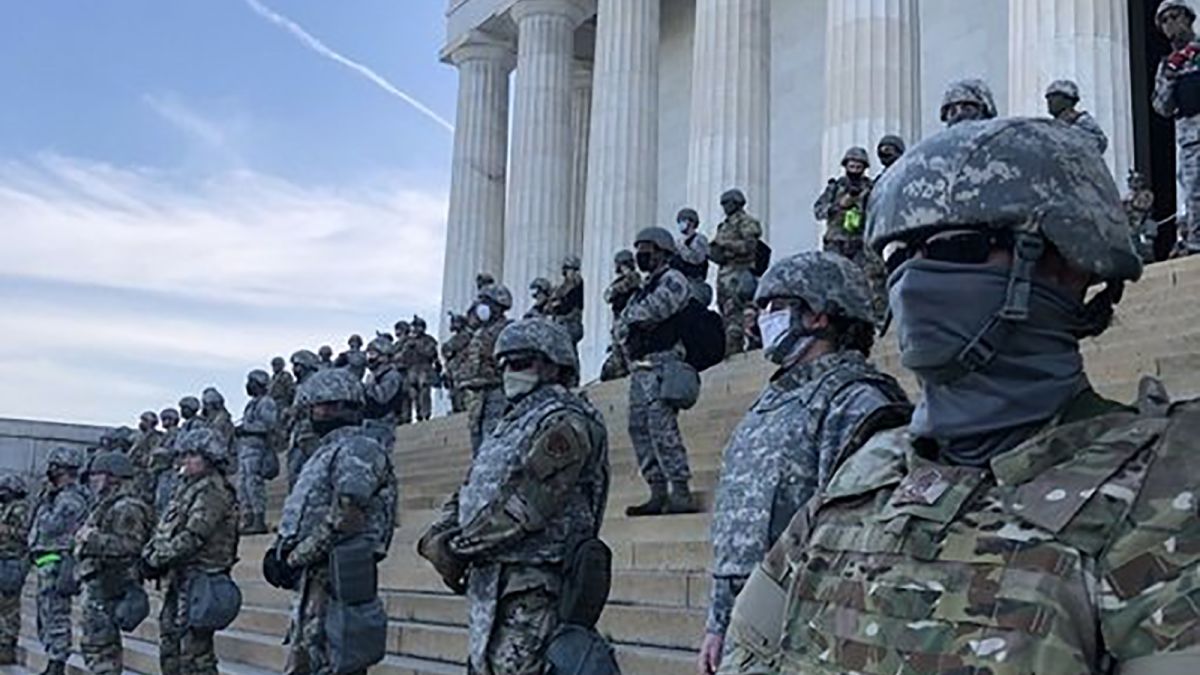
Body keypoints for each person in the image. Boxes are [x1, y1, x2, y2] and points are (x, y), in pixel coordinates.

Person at [717, 117, 1197, 674]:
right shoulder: (866, 474)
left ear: (1068, 263)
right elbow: (747, 652)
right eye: (899, 256)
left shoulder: (1166, 494)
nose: (914, 279)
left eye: (957, 245)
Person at [696, 252, 910, 674]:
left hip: (809, 632)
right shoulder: (771, 403)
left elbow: (862, 545)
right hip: (749, 631)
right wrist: (718, 623)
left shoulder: (856, 401)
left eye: (775, 307)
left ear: (818, 316)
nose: (761, 320)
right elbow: (736, 536)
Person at [417, 319, 609, 674]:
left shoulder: (565, 420)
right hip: (493, 588)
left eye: (520, 362)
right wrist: (437, 535)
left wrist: (459, 548)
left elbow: (528, 506)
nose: (508, 373)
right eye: (502, 364)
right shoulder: (512, 423)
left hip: (535, 590)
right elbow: (472, 488)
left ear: (555, 365)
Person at [270, 368, 396, 675]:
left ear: (338, 407)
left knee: (334, 664)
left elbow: (347, 515)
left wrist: (294, 558)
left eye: (318, 407)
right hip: (316, 576)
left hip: (338, 577)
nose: (313, 414)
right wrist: (282, 550)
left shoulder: (359, 448)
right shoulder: (326, 452)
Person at [142, 428, 239, 675]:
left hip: (200, 579)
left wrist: (156, 559)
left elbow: (193, 536)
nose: (185, 460)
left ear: (210, 457)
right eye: (183, 455)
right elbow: (166, 528)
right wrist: (150, 553)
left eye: (192, 455)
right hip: (179, 577)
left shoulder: (212, 490)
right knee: (171, 646)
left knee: (194, 655)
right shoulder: (187, 488)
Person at [621, 227, 698, 515]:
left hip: (664, 364)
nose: (641, 254)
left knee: (661, 426)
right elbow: (622, 324)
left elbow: (655, 310)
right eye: (638, 248)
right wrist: (632, 321)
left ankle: (680, 489)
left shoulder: (673, 279)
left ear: (663, 251)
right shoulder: (643, 287)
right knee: (638, 428)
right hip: (641, 369)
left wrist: (634, 320)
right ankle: (656, 489)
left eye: (647, 248)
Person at [75, 452, 153, 675]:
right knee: (95, 647)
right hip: (99, 585)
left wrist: (91, 538)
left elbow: (129, 546)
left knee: (102, 651)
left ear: (113, 477)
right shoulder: (107, 505)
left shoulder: (126, 507)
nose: (92, 481)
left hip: (111, 586)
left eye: (96, 475)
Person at [29, 446, 91, 675]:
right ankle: (52, 658)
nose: (50, 471)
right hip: (47, 559)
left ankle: (57, 662)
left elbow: (51, 526)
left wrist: (44, 507)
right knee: (46, 613)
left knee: (56, 613)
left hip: (58, 560)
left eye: (54, 467)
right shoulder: (56, 495)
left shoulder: (70, 498)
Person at [815, 146, 888, 317]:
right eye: (851, 166)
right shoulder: (834, 188)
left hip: (860, 244)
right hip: (836, 243)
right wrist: (839, 205)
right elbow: (818, 210)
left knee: (865, 284)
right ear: (845, 166)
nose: (854, 170)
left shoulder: (870, 188)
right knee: (834, 283)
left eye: (858, 167)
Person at [1154, 0, 1200, 256]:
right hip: (1191, 139)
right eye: (1165, 20)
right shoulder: (1167, 65)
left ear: (1188, 18)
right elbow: (1162, 107)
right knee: (1194, 192)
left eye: (1175, 16)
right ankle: (1195, 243)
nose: (1171, 23)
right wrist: (1171, 75)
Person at [708, 189, 764, 356]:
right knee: (728, 317)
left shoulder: (747, 222)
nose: (724, 207)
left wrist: (726, 245)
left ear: (737, 202)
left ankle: (752, 348)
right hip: (725, 276)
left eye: (727, 203)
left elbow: (749, 247)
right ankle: (732, 353)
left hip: (741, 274)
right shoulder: (724, 225)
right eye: (723, 203)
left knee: (747, 317)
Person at [460, 284, 514, 454]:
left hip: (497, 388)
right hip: (476, 392)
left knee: (493, 434)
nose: (479, 307)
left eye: (485, 302)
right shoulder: (479, 332)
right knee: (476, 435)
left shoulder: (508, 329)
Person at [235, 369, 279, 534]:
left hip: (257, 450)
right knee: (243, 487)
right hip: (246, 450)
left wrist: (246, 428)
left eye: (252, 382)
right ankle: (248, 519)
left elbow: (269, 425)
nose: (248, 385)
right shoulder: (252, 403)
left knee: (254, 486)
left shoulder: (266, 402)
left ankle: (259, 521)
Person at [0, 474, 30, 666]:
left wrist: (3, 529)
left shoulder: (21, 508)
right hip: (3, 559)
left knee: (9, 607)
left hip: (13, 561)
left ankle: (6, 645)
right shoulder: (6, 508)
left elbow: (24, 534)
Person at [601, 249, 642, 382]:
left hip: (629, 319)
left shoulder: (634, 278)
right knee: (617, 350)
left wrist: (618, 288)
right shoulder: (620, 281)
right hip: (618, 318)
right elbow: (607, 296)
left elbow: (623, 288)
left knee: (628, 350)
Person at [285, 349, 323, 489]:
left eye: (298, 365)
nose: (295, 369)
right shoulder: (300, 386)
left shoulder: (316, 382)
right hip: (298, 434)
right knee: (294, 472)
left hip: (311, 433)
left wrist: (298, 411)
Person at [1045, 79, 1108, 155]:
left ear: (1068, 100)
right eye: (1048, 97)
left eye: (1054, 96)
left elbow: (1097, 145)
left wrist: (1069, 130)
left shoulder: (1083, 123)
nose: (1050, 101)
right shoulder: (1050, 127)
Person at [363, 335, 404, 449]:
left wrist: (366, 387)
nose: (369, 358)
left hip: (384, 425)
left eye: (373, 354)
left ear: (384, 356)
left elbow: (383, 397)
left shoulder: (392, 376)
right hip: (369, 423)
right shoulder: (372, 376)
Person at [399, 316, 442, 422]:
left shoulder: (429, 340)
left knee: (424, 391)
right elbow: (403, 357)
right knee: (414, 394)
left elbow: (431, 354)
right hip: (412, 369)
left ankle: (426, 414)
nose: (415, 330)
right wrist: (407, 348)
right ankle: (418, 414)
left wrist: (417, 346)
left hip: (424, 369)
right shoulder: (408, 341)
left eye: (417, 327)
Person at [674, 207, 713, 306]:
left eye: (683, 220)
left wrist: (681, 248)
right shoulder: (680, 242)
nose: (680, 224)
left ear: (691, 222)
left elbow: (697, 259)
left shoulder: (700, 240)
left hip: (695, 283)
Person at [150, 408, 181, 515]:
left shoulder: (177, 434)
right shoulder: (165, 435)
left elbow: (175, 451)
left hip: (169, 472)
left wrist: (160, 452)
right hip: (161, 471)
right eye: (163, 419)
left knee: (164, 502)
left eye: (167, 419)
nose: (164, 422)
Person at [549, 255, 585, 346]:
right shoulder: (561, 288)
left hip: (570, 323)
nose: (573, 273)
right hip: (559, 323)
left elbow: (576, 307)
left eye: (575, 270)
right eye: (570, 269)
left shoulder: (577, 285)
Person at [1125, 169, 1159, 263]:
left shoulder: (1146, 194)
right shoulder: (1130, 195)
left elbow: (1143, 205)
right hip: (1133, 225)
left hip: (1144, 224)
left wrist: (1130, 203)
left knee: (1146, 246)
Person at [442, 313, 472, 413]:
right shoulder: (456, 337)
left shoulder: (466, 336)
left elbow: (453, 347)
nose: (454, 325)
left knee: (462, 392)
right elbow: (446, 351)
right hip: (454, 369)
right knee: (454, 393)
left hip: (462, 368)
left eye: (456, 322)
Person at [128, 410, 163, 497]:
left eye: (145, 421)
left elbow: (152, 454)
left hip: (144, 472)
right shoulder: (137, 436)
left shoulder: (155, 437)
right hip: (134, 471)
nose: (141, 423)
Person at [200, 387, 235, 453]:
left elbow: (225, 439)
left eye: (207, 405)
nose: (206, 408)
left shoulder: (223, 419)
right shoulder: (205, 420)